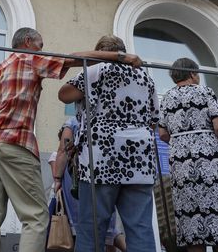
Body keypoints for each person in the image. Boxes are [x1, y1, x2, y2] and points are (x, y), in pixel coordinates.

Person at [0, 27, 143, 252]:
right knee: (35, 216)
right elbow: (76, 59)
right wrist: (120, 57)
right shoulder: (30, 59)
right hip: (17, 143)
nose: (41, 49)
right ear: (27, 41)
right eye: (40, 45)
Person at [58, 35, 158, 252]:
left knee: (92, 230)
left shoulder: (95, 71)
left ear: (100, 53)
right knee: (140, 229)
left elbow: (64, 95)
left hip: (101, 158)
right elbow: (153, 119)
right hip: (140, 161)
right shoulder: (145, 78)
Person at [159, 58, 218, 252]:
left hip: (181, 163)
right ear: (192, 74)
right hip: (209, 160)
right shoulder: (205, 92)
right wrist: (210, 142)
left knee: (193, 229)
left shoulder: (167, 98)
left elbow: (162, 133)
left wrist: (181, 143)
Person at [47, 119, 125, 252]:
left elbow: (61, 152)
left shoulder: (72, 123)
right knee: (107, 231)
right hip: (107, 178)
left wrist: (58, 179)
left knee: (83, 232)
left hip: (79, 186)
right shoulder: (108, 120)